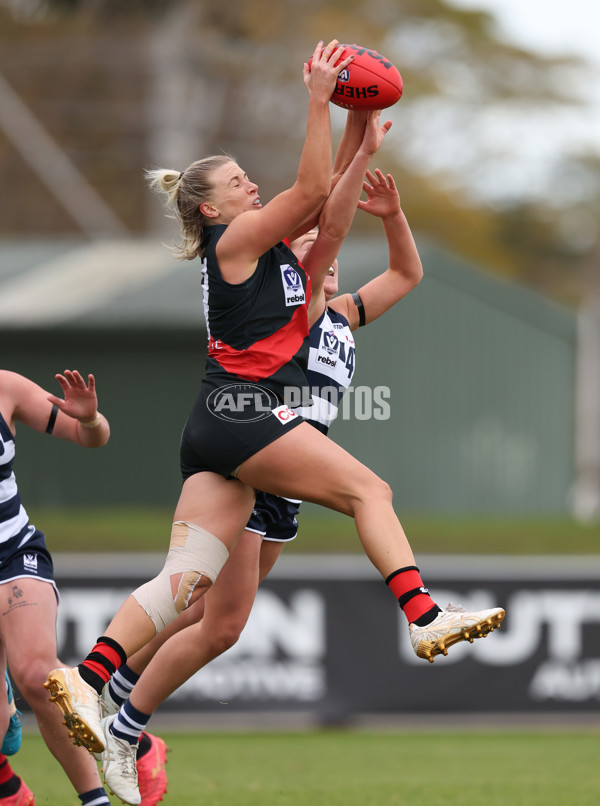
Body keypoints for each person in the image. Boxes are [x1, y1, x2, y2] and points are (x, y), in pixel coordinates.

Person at [45, 40, 505, 805]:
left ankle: (87, 680)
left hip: (222, 426)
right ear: (211, 210)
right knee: (371, 492)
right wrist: (321, 101)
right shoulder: (236, 242)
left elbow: (330, 209)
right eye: (236, 182)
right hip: (246, 414)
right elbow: (313, 188)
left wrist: (362, 135)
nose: (250, 186)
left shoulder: (290, 269)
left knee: (189, 587)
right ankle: (423, 615)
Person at [0, 369, 167, 806]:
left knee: (39, 677)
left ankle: (98, 795)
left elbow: (92, 436)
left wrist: (89, 420)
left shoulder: (6, 388)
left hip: (15, 554)